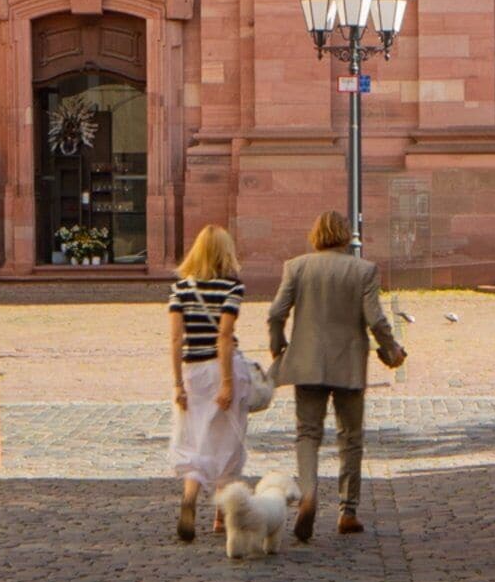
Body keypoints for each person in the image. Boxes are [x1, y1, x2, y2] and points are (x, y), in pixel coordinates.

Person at [262, 208, 401, 544]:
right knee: (350, 437)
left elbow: (276, 312)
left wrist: (278, 345)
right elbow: (376, 320)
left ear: (315, 235)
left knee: (307, 434)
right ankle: (348, 510)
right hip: (349, 363)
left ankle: (308, 494)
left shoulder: (296, 267)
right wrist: (391, 349)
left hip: (306, 362)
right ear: (345, 235)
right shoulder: (364, 270)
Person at [163, 224, 249, 543]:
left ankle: (189, 498)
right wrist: (227, 382)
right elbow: (224, 336)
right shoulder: (231, 288)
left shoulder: (181, 288)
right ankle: (221, 516)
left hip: (191, 370)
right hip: (222, 366)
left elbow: (175, 338)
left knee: (194, 440)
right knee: (228, 443)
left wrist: (177, 385)